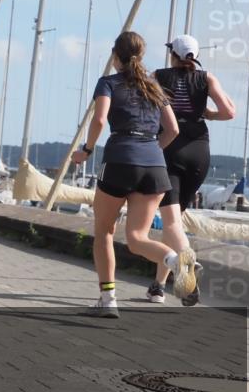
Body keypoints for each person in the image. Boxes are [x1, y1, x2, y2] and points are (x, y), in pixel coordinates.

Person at [71, 31, 198, 318]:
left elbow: (100, 119)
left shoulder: (109, 83)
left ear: (116, 56)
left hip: (119, 160)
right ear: (139, 56)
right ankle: (176, 261)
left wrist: (86, 151)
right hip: (154, 166)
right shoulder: (154, 87)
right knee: (137, 238)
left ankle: (108, 299)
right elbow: (173, 130)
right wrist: (152, 150)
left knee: (104, 230)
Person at [146, 35, 235, 306]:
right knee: (174, 222)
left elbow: (145, 106)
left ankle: (187, 261)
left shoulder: (158, 76)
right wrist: (207, 114)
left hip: (170, 149)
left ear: (172, 54)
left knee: (171, 222)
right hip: (199, 152)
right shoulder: (207, 78)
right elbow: (229, 112)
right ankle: (158, 287)